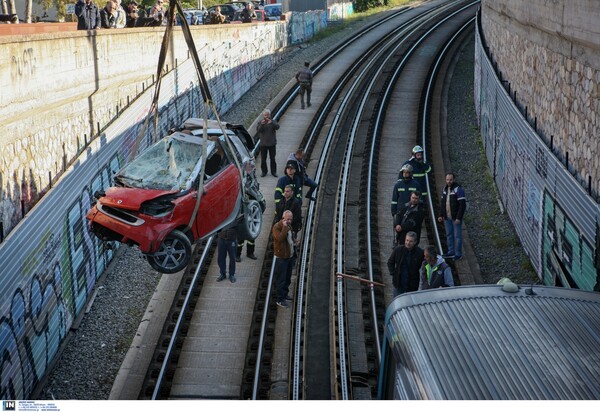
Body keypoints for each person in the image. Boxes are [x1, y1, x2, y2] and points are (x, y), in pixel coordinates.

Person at [272, 210, 298, 308]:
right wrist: (285, 228)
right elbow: (279, 238)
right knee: (281, 279)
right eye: (287, 219)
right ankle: (280, 299)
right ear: (283, 218)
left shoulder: (289, 226)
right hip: (281, 258)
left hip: (289, 257)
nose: (289, 221)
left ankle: (285, 294)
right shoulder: (277, 227)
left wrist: (295, 241)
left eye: (290, 219)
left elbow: (290, 238)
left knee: (287, 278)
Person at [437, 172, 466, 260]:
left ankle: (458, 254)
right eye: (447, 180)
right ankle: (451, 252)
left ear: (453, 180)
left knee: (457, 236)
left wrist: (458, 218)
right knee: (449, 234)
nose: (449, 181)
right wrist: (441, 215)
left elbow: (462, 205)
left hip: (455, 217)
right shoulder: (445, 189)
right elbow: (442, 203)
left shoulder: (458, 190)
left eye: (450, 180)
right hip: (447, 217)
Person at [387, 232, 424, 297]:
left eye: (410, 241)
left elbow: (424, 265)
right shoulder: (398, 250)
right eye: (407, 240)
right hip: (398, 283)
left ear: (415, 242)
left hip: (412, 285)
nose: (408, 243)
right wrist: (393, 273)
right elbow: (390, 262)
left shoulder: (420, 253)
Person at [257, 109, 280, 177]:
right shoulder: (260, 122)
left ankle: (273, 172)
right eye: (265, 115)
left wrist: (272, 123)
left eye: (267, 115)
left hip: (272, 144)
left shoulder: (273, 121)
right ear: (263, 115)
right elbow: (258, 130)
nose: (266, 116)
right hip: (263, 144)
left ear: (270, 115)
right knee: (263, 159)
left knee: (272, 159)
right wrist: (261, 124)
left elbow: (277, 127)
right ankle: (264, 172)